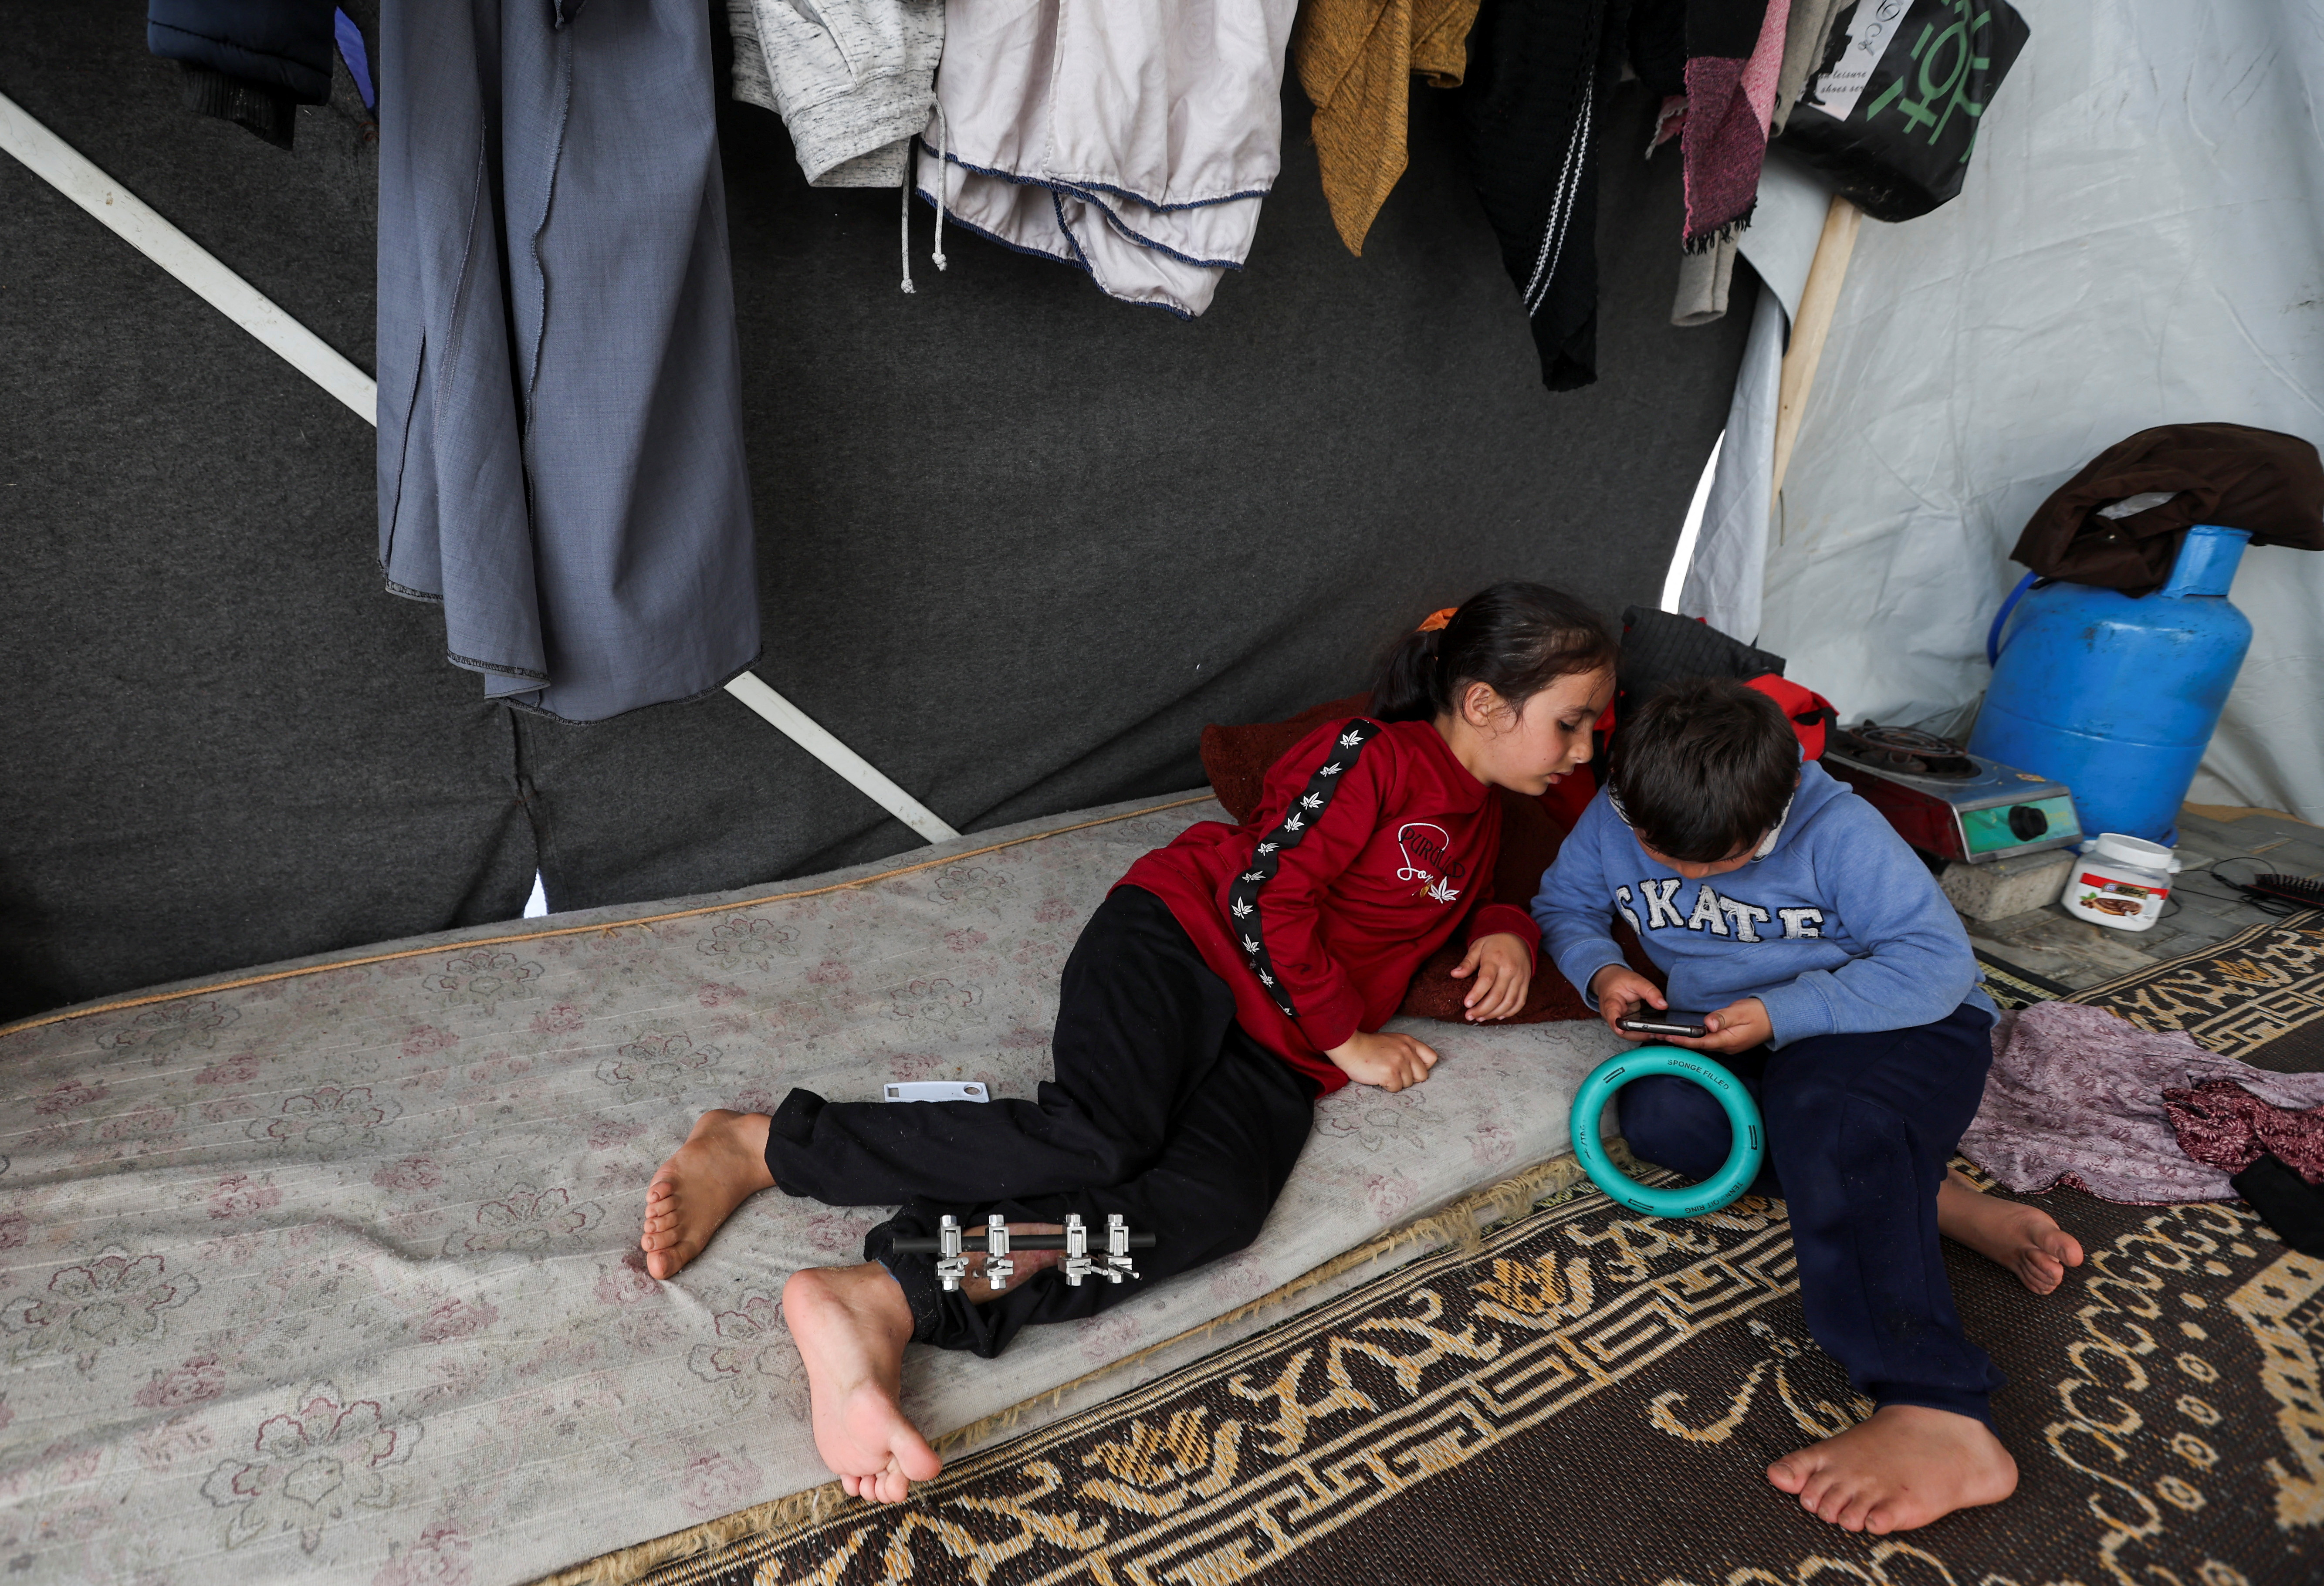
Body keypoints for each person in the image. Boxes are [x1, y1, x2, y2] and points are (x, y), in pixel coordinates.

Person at [638, 582, 1621, 1502]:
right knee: (1102, 1134)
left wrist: (1505, 924)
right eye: (1570, 724)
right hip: (1188, 944)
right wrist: (1348, 1038)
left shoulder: (1487, 812)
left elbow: (1509, 874)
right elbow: (1264, 892)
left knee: (1211, 1206)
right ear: (1484, 703)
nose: (1581, 752)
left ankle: (896, 1290)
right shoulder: (1372, 754)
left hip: (1277, 1054)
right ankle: (769, 1145)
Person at [1533, 677, 2085, 1535]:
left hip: (1897, 1022)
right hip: (1744, 1032)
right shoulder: (1615, 812)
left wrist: (1783, 1012)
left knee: (1828, 1110)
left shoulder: (1841, 828)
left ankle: (1939, 1405)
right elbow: (1565, 904)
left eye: (1721, 860)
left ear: (1781, 801)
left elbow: (1935, 965)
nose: (1684, 876)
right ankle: (1930, 1198)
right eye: (1661, 853)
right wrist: (1602, 970)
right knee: (1664, 1119)